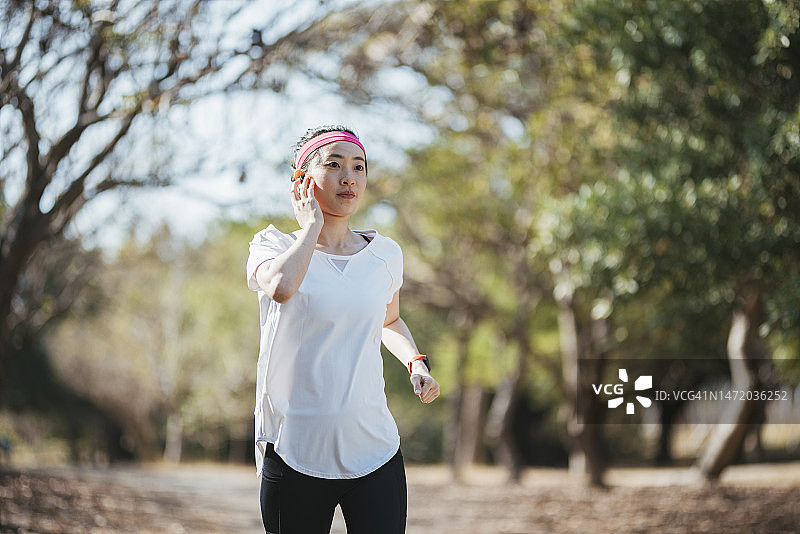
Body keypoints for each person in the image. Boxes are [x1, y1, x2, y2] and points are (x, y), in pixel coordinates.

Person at [246, 125, 440, 534]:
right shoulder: (273, 247)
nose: (348, 177)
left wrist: (416, 363)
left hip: (375, 449)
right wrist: (311, 228)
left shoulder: (385, 254)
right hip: (295, 449)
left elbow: (389, 320)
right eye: (333, 165)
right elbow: (281, 288)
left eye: (358, 167)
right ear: (301, 180)